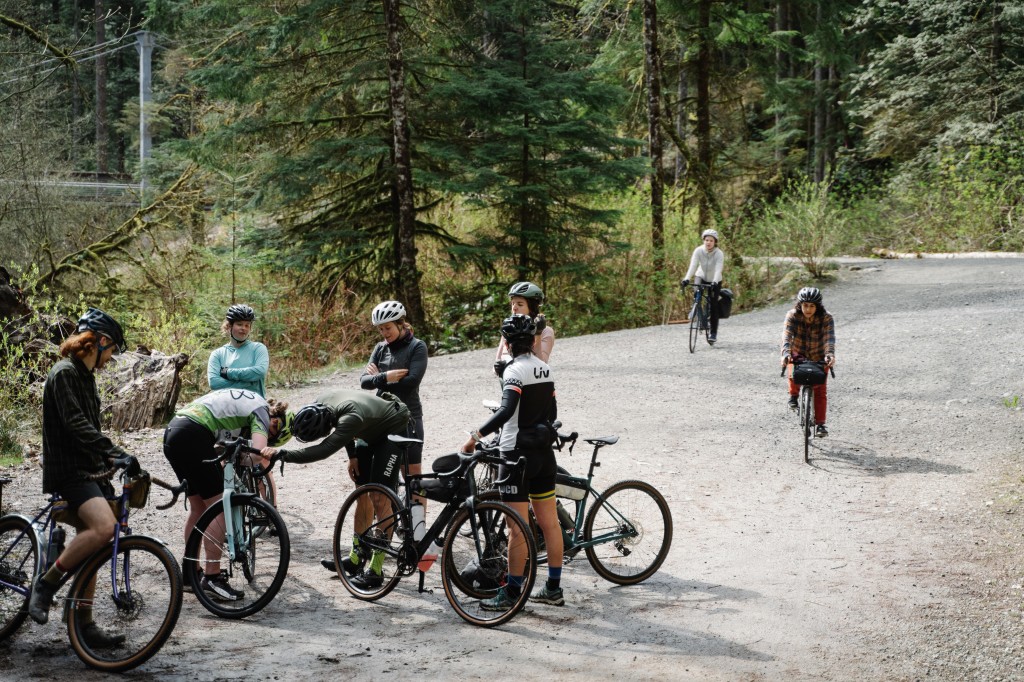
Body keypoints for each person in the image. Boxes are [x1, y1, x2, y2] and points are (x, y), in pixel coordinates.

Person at [28, 307, 129, 647]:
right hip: (69, 470)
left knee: (97, 539)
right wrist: (115, 450)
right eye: (112, 349)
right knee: (104, 529)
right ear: (100, 342)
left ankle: (83, 624)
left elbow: (91, 430)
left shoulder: (86, 378)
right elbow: (76, 426)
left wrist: (117, 461)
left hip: (88, 469)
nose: (111, 357)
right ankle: (46, 585)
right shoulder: (64, 373)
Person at [462, 314, 563, 609]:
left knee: (516, 528)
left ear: (507, 344)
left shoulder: (513, 371)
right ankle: (553, 589)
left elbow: (506, 412)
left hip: (515, 457)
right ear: (533, 341)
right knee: (550, 525)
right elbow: (552, 413)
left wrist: (475, 436)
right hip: (544, 454)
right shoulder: (546, 369)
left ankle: (512, 593)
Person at [260, 389, 410, 587]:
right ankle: (357, 558)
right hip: (368, 426)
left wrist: (283, 455)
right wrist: (353, 456)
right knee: (361, 493)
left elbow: (324, 450)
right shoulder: (320, 401)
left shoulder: (350, 420)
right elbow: (342, 430)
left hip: (393, 425)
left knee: (379, 497)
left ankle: (376, 569)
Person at [163, 389, 293, 599]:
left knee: (199, 507)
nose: (269, 433)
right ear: (274, 415)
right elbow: (258, 454)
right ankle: (212, 578)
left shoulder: (246, 403)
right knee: (219, 508)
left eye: (272, 437)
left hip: (174, 430)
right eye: (274, 429)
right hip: (192, 433)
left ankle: (190, 574)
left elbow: (218, 449)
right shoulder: (260, 410)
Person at [360, 300, 428, 497]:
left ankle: (419, 526)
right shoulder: (380, 348)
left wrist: (379, 377)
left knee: (413, 477)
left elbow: (412, 381)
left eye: (388, 328)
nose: (384, 333)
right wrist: (387, 377)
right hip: (384, 418)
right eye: (381, 329)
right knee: (387, 476)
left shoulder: (417, 347)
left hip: (410, 418)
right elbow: (364, 382)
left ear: (400, 323)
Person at [781, 286, 836, 437]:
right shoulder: (792, 315)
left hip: (819, 354)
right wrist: (785, 353)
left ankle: (820, 425)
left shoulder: (826, 317)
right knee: (791, 363)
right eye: (805, 305)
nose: (808, 309)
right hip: (798, 352)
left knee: (820, 390)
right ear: (800, 304)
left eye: (812, 306)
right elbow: (787, 336)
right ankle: (793, 396)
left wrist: (830, 354)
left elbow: (829, 338)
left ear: (817, 306)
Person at [207, 304, 269, 397]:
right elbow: (214, 383)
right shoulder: (217, 354)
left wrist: (227, 372)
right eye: (239, 324)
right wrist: (246, 383)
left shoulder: (258, 348)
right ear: (229, 327)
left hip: (255, 405)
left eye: (247, 325)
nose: (243, 328)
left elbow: (259, 372)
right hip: (227, 406)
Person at [494, 281, 553, 376]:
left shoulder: (546, 331)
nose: (514, 308)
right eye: (513, 303)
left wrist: (538, 333)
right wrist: (498, 367)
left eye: (520, 304)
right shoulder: (509, 329)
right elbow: (497, 364)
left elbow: (541, 366)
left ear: (532, 307)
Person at [680, 229, 725, 344]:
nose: (708, 242)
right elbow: (693, 265)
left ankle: (713, 333)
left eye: (711, 240)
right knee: (697, 292)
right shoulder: (698, 251)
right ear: (703, 240)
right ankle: (700, 317)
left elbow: (718, 269)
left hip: (714, 280)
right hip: (701, 276)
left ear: (715, 242)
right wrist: (686, 278)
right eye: (706, 240)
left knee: (713, 305)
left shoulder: (719, 254)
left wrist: (715, 282)